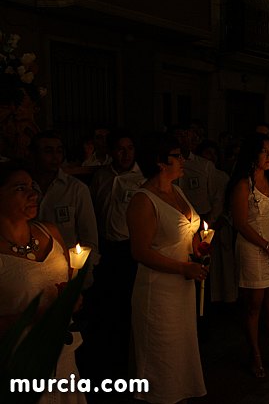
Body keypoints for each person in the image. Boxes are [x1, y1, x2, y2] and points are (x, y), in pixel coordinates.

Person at [126, 132, 208, 403]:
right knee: (162, 353)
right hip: (158, 290)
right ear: (161, 162)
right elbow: (140, 251)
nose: (184, 160)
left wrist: (200, 248)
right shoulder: (144, 200)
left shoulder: (178, 190)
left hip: (182, 286)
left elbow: (189, 230)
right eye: (177, 156)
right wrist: (182, 269)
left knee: (180, 350)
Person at [0, 162, 86, 404]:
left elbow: (67, 284)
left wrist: (73, 299)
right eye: (20, 188)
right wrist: (37, 316)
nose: (33, 194)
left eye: (32, 186)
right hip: (19, 361)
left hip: (62, 354)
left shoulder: (50, 232)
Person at [80, 129, 145, 382]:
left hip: (129, 249)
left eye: (130, 148)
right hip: (105, 247)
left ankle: (126, 361)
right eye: (120, 148)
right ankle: (104, 360)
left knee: (128, 305)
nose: (125, 153)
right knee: (104, 305)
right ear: (110, 151)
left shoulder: (141, 180)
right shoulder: (101, 176)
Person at [228, 132, 269, 378]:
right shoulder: (244, 184)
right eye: (264, 151)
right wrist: (266, 245)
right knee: (254, 305)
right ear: (252, 154)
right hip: (254, 249)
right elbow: (241, 223)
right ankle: (255, 354)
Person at [29, 130, 100, 287]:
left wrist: (83, 277)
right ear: (34, 154)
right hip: (30, 271)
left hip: (66, 273)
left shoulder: (76, 189)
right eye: (48, 151)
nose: (55, 157)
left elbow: (89, 237)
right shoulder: (25, 189)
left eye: (59, 151)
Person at [195, 139, 237, 304]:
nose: (211, 157)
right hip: (205, 225)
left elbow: (224, 202)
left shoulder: (222, 177)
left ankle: (224, 299)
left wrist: (220, 219)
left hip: (220, 226)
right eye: (207, 153)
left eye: (214, 153)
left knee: (223, 266)